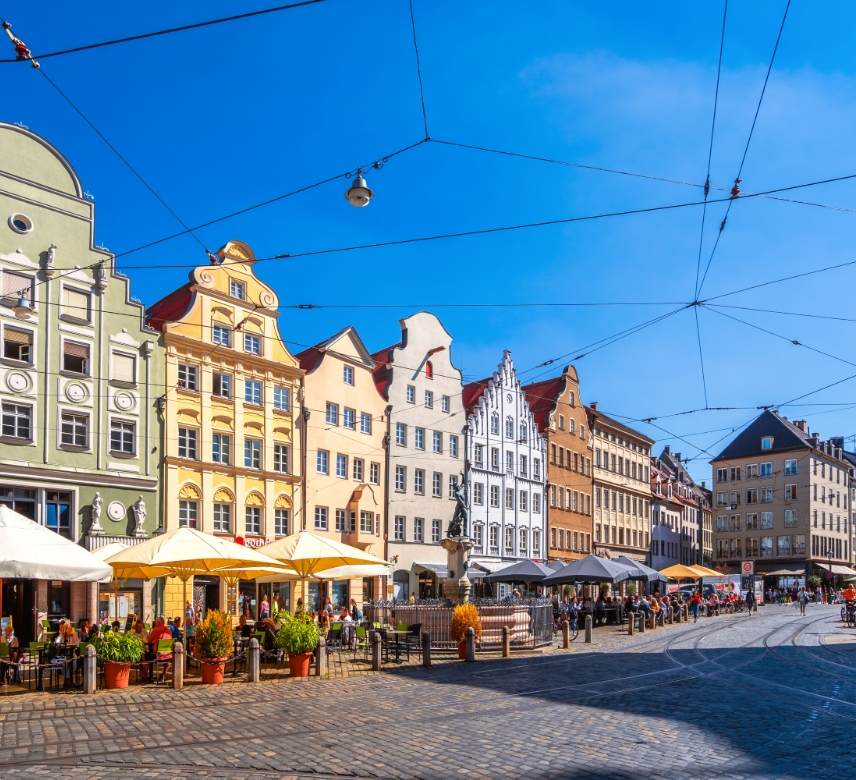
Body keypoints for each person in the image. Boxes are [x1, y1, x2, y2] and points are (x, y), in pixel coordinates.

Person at [147, 617, 173, 682]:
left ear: (158, 623)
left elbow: (149, 641)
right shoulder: (169, 631)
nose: (154, 623)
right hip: (169, 656)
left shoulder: (155, 630)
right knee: (167, 662)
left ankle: (148, 676)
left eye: (155, 622)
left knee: (146, 656)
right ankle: (163, 674)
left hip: (158, 656)